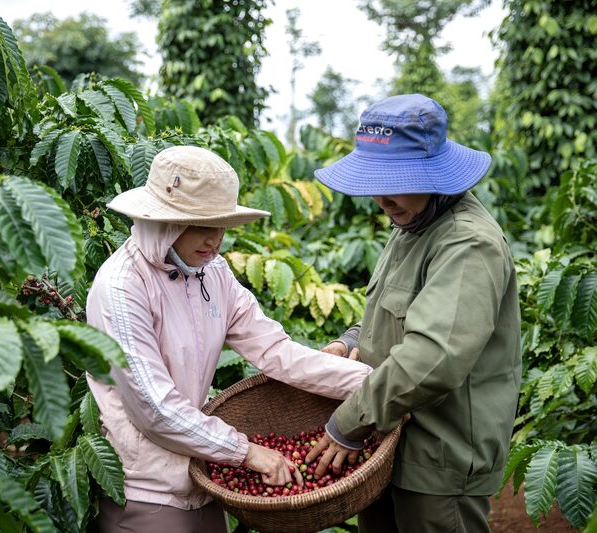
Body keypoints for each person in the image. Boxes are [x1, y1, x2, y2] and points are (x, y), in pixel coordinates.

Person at [86, 145, 373, 532]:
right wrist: (246, 452)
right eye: (203, 227)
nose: (215, 241)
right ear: (167, 221)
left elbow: (275, 350)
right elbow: (155, 409)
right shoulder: (123, 288)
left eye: (222, 226)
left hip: (203, 476)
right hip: (148, 490)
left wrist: (373, 386)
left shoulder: (212, 272)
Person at [305, 94, 521, 533]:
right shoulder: (411, 223)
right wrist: (350, 342)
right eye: (375, 183)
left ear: (434, 176)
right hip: (389, 443)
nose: (381, 199)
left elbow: (433, 355)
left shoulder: (467, 243)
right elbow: (395, 314)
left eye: (395, 182)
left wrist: (348, 422)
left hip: (439, 458)